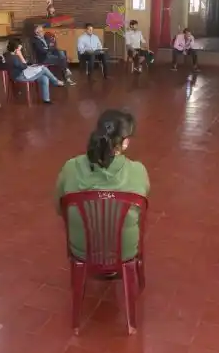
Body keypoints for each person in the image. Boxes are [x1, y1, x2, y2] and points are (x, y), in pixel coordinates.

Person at [55, 109, 150, 262]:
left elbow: (60, 209)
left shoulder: (70, 167)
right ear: (124, 142)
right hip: (125, 251)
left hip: (82, 250)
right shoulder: (138, 171)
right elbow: (141, 213)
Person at [5, 39, 65, 104]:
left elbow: (24, 66)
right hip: (21, 76)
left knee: (44, 77)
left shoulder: (8, 55)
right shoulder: (14, 58)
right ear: (15, 48)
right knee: (44, 69)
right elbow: (24, 66)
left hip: (22, 73)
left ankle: (46, 100)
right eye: (19, 48)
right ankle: (55, 82)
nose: (21, 49)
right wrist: (20, 55)